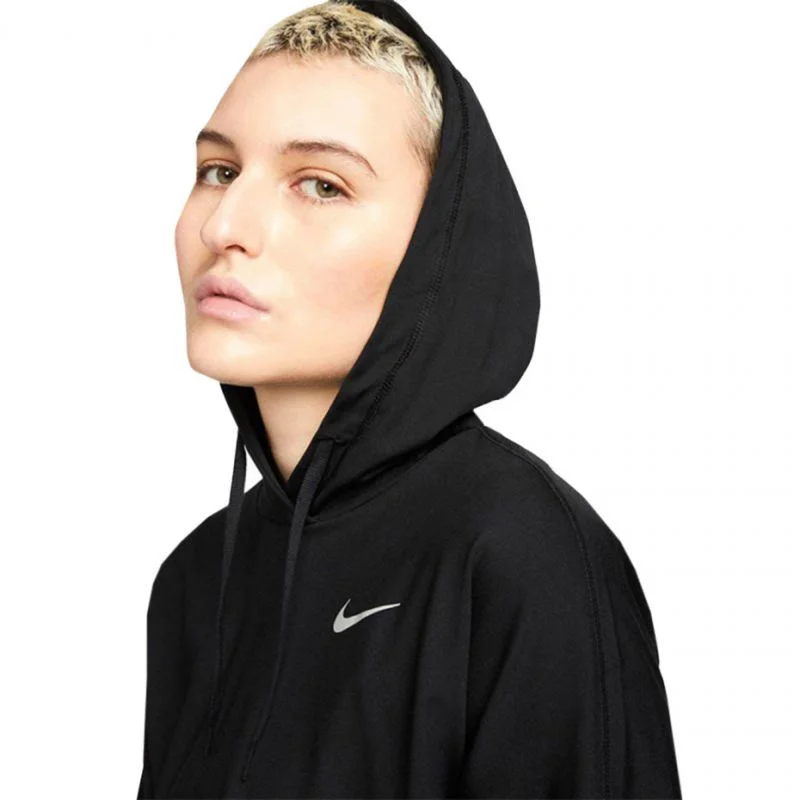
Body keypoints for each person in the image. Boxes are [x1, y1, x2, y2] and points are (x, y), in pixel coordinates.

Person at [136, 1, 683, 797]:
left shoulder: (520, 555)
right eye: (219, 170)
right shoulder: (195, 580)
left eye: (320, 185)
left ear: (437, 247)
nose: (225, 225)